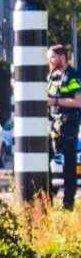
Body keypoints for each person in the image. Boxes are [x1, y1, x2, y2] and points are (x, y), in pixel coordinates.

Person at [46, 45, 79, 210]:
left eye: (52, 57)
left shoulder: (73, 76)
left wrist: (56, 102)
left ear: (62, 57)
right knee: (43, 159)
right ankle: (48, 197)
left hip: (68, 125)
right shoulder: (51, 76)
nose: (49, 61)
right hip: (52, 124)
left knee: (68, 165)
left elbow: (78, 101)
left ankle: (68, 204)